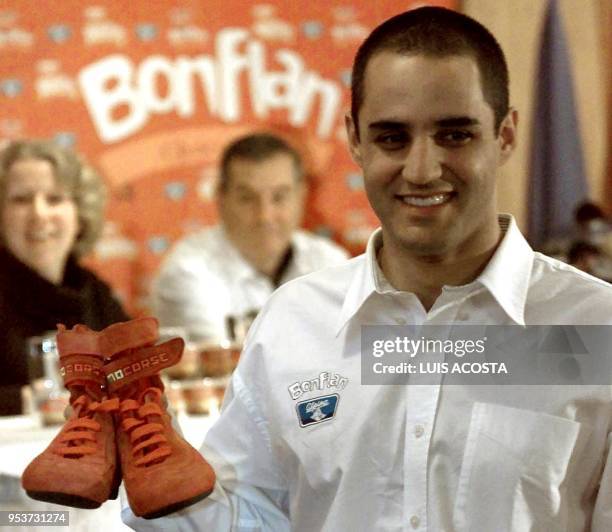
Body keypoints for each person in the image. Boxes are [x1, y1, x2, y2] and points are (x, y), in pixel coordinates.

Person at [125, 7, 612, 531]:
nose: (422, 169)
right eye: (392, 138)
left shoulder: (595, 329)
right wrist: (150, 468)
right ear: (355, 138)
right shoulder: (294, 322)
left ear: (507, 134)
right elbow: (255, 520)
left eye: (454, 135)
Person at [152, 132, 349, 342]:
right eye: (247, 199)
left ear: (301, 195)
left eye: (279, 197)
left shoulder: (331, 263)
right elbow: (224, 369)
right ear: (221, 198)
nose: (265, 215)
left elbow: (354, 357)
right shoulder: (186, 272)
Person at [0, 140, 129, 416]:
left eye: (55, 199)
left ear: (80, 215)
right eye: (21, 200)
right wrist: (30, 401)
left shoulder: (95, 292)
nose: (39, 214)